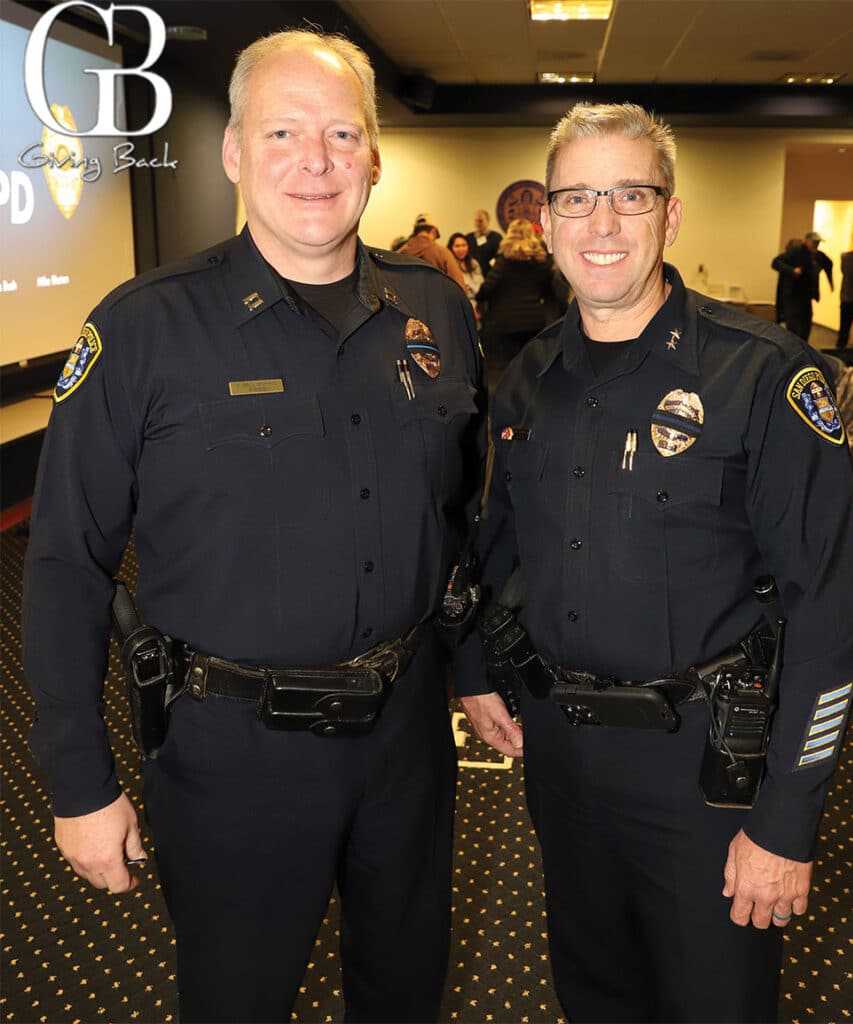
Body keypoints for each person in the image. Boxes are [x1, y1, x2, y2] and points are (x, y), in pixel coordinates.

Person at [22, 29, 486, 1024]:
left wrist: (475, 666)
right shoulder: (144, 327)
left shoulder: (434, 313)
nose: (313, 161)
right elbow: (65, 560)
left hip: (407, 734)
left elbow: (455, 517)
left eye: (339, 133)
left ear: (372, 155)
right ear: (232, 150)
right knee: (239, 998)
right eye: (281, 131)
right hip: (233, 752)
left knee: (405, 990)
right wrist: (77, 781)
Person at [458, 102, 853, 1023]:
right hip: (562, 761)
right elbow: (505, 542)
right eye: (577, 198)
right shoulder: (528, 377)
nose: (602, 223)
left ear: (669, 216)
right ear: (548, 219)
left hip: (710, 775)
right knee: (595, 995)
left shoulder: (761, 374)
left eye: (629, 196)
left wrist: (787, 815)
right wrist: (476, 666)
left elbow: (830, 614)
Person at [475, 218, 557, 388]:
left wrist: (480, 299)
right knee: (532, 368)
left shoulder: (503, 261)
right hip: (534, 321)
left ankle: (510, 407)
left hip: (504, 323)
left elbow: (487, 288)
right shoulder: (542, 261)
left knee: (507, 371)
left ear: (510, 235)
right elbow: (549, 291)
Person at [771, 231, 832, 340]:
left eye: (818, 243)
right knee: (794, 327)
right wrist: (792, 271)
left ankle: (803, 350)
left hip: (806, 296)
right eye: (814, 243)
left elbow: (828, 264)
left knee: (805, 325)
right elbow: (776, 262)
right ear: (807, 241)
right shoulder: (795, 252)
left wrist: (830, 282)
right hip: (792, 295)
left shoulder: (817, 255)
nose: (816, 245)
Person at [399, 213, 468, 291]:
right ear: (433, 231)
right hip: (437, 302)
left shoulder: (400, 253)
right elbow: (460, 288)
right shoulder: (443, 253)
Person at [447, 231, 485, 318]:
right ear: (451, 248)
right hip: (460, 308)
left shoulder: (474, 263)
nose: (461, 249)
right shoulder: (450, 265)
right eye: (457, 246)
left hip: (479, 305)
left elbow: (481, 284)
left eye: (464, 245)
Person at [773, 237, 801, 326]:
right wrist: (792, 271)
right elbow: (775, 263)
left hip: (790, 296)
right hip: (787, 296)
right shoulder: (784, 261)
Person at [467, 208, 503, 276]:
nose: (478, 223)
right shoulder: (468, 238)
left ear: (488, 221)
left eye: (480, 221)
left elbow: (500, 257)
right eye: (476, 221)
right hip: (473, 275)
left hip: (491, 274)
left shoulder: (496, 237)